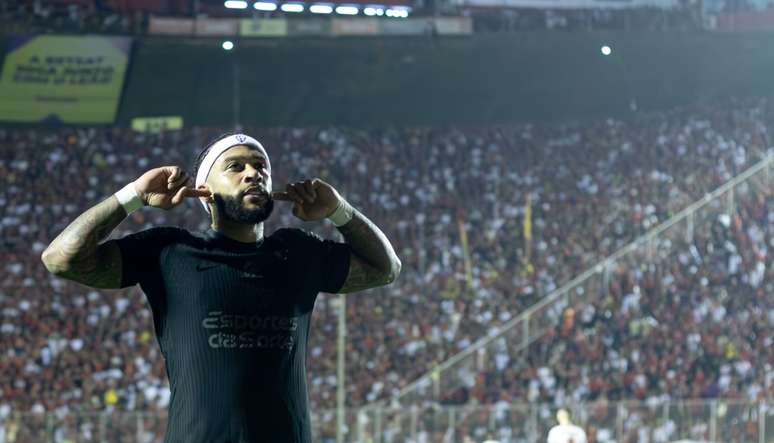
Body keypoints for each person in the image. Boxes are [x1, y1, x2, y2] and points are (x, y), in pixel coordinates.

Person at [41, 132, 402, 443]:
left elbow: (385, 269)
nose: (254, 174)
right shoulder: (168, 251)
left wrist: (338, 210)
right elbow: (61, 259)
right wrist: (133, 195)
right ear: (204, 191)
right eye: (236, 167)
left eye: (261, 166)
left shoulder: (298, 251)